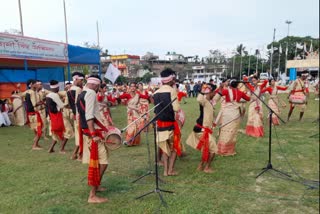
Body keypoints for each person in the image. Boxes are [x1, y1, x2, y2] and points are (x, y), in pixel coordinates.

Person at [76, 75, 109, 203]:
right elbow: (89, 116)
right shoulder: (90, 93)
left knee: (99, 162)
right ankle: (92, 195)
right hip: (93, 134)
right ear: (95, 85)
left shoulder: (82, 92)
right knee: (102, 162)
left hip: (88, 132)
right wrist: (94, 134)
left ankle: (97, 186)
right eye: (98, 86)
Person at [153, 68, 181, 176]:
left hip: (160, 124)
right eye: (173, 78)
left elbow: (156, 110)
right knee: (174, 148)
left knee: (164, 148)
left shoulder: (156, 92)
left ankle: (165, 171)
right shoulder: (171, 90)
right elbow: (176, 108)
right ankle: (170, 170)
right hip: (170, 125)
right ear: (170, 79)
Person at [186, 83, 218, 173]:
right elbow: (199, 98)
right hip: (202, 130)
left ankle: (200, 166)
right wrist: (203, 90)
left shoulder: (210, 102)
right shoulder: (204, 101)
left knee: (207, 149)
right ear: (209, 92)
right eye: (213, 92)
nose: (215, 94)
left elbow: (218, 96)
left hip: (204, 129)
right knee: (213, 149)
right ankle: (206, 167)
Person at [216, 79, 250, 156]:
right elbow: (248, 99)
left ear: (230, 85)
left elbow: (219, 93)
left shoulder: (227, 91)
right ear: (237, 85)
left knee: (225, 129)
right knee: (233, 131)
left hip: (227, 113)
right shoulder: (240, 92)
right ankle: (229, 149)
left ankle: (222, 149)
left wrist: (220, 87)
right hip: (235, 114)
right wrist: (247, 91)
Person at [119, 82, 149, 146]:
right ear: (129, 87)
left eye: (134, 86)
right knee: (131, 127)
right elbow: (119, 97)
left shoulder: (138, 95)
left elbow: (146, 97)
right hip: (130, 113)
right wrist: (122, 91)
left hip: (136, 113)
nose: (133, 87)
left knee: (137, 127)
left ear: (136, 87)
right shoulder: (127, 95)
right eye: (131, 86)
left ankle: (135, 141)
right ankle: (128, 141)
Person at [46, 80, 68, 153]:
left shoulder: (48, 95)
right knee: (68, 132)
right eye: (58, 87)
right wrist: (66, 102)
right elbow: (61, 105)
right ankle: (62, 149)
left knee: (55, 134)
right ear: (56, 87)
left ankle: (51, 148)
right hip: (58, 116)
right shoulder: (55, 95)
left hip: (51, 117)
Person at [67, 72, 85, 160]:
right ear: (76, 79)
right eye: (81, 80)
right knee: (81, 135)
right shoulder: (78, 89)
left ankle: (76, 154)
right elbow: (79, 103)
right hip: (79, 115)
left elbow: (68, 104)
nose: (82, 82)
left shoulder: (69, 90)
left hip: (74, 114)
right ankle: (77, 155)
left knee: (79, 135)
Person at [24, 79, 44, 150]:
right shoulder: (32, 92)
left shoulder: (28, 92)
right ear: (32, 84)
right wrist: (43, 103)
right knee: (39, 129)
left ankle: (37, 144)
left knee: (36, 129)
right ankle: (34, 145)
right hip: (34, 114)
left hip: (30, 114)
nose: (37, 85)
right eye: (36, 83)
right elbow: (34, 104)